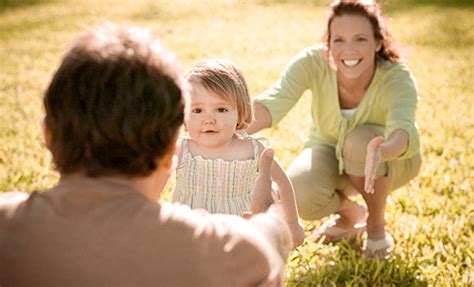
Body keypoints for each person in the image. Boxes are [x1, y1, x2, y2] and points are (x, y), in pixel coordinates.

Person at [0, 24, 293, 286]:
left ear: (47, 135)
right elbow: (265, 247)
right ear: (171, 150)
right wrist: (272, 220)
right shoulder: (224, 250)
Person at [247, 0, 422, 259]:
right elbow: (275, 101)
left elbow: (402, 128)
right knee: (298, 191)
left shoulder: (397, 77)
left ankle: (376, 228)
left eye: (360, 39)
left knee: (361, 141)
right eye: (338, 40)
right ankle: (351, 214)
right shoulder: (312, 62)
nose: (348, 50)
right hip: (329, 151)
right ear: (328, 43)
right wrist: (226, 127)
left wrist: (382, 150)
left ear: (377, 43)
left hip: (391, 161)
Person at [170, 59, 305, 248]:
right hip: (192, 228)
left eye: (221, 109)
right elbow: (151, 180)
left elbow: (282, 182)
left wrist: (292, 224)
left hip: (242, 227)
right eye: (198, 110)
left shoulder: (252, 150)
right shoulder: (182, 150)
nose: (209, 119)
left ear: (240, 112)